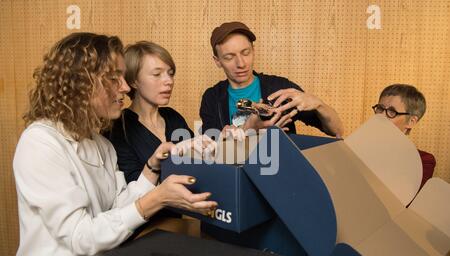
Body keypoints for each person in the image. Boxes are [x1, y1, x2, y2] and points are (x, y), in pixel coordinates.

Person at [13, 32, 217, 256]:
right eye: (113, 79)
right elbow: (80, 236)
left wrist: (153, 167)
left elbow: (118, 205)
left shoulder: (100, 143)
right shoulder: (40, 143)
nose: (124, 87)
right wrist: (156, 199)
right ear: (81, 83)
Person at [199, 21, 344, 138]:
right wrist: (247, 130)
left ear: (253, 51)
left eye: (246, 53)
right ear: (217, 61)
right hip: (233, 173)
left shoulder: (280, 87)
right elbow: (209, 152)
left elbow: (336, 131)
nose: (241, 63)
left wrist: (319, 104)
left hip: (280, 170)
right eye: (229, 57)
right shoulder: (212, 98)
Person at [107, 41, 213, 183]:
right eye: (157, 74)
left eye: (170, 74)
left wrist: (221, 145)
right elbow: (133, 188)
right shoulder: (119, 128)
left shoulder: (173, 117)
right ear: (133, 81)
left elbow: (199, 165)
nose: (168, 81)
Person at [373, 84, 436, 188]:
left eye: (392, 112)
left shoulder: (423, 161)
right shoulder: (356, 149)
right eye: (380, 109)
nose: (381, 116)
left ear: (411, 121)